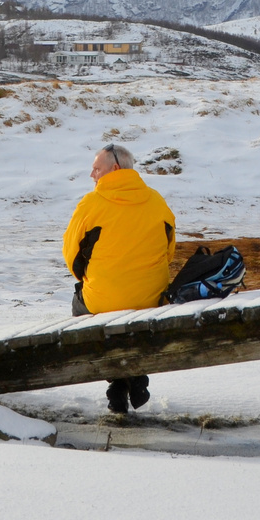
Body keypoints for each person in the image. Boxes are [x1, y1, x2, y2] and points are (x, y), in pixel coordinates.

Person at [63, 143, 176, 413]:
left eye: (96, 169)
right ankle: (127, 382)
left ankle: (123, 381)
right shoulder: (157, 201)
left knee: (81, 309)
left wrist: (92, 278)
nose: (92, 175)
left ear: (114, 169)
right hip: (151, 299)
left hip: (103, 299)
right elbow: (169, 251)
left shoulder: (91, 204)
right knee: (131, 320)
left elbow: (72, 257)